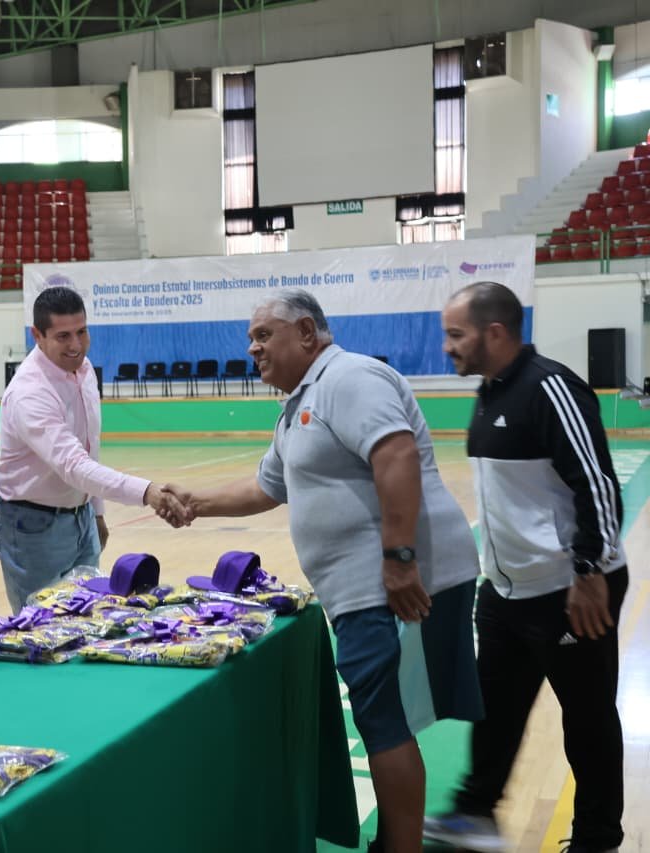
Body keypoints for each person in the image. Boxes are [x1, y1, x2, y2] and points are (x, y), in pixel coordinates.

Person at [160, 289, 483, 853]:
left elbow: (396, 455)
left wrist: (401, 560)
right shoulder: (299, 405)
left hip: (390, 585)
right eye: (251, 339)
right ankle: (395, 840)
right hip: (369, 588)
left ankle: (400, 846)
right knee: (386, 720)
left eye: (264, 336)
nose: (253, 348)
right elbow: (267, 487)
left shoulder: (348, 379)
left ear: (307, 333)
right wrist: (196, 501)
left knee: (384, 722)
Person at [424, 282, 628, 853]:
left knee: (586, 720)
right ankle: (475, 813)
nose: (447, 347)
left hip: (571, 588)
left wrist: (589, 574)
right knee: (494, 708)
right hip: (506, 588)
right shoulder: (490, 391)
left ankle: (596, 838)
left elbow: (598, 487)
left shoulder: (551, 388)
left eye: (455, 335)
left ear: (495, 333)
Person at [0, 286, 185, 611]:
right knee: (42, 634)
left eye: (82, 332)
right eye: (63, 336)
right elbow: (74, 465)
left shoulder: (83, 371)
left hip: (80, 519)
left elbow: (89, 445)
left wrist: (95, 512)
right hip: (32, 527)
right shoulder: (30, 392)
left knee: (89, 620)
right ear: (37, 335)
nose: (76, 345)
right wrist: (147, 492)